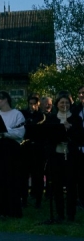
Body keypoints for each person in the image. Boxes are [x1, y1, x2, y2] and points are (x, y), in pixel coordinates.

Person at [0, 91, 26, 218]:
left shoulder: (17, 114)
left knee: (12, 179)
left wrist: (4, 132)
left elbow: (20, 133)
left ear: (6, 100)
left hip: (11, 150)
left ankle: (13, 210)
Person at [45, 93, 82, 222]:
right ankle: (60, 214)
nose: (64, 105)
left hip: (71, 155)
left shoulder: (76, 119)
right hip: (56, 154)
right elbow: (48, 137)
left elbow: (79, 138)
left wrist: (69, 129)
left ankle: (70, 214)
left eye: (67, 103)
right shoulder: (52, 118)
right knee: (57, 185)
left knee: (72, 185)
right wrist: (60, 129)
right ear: (57, 104)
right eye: (62, 103)